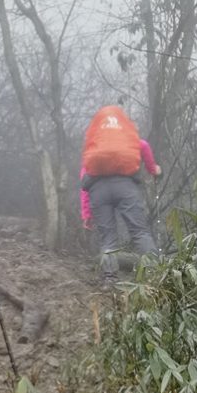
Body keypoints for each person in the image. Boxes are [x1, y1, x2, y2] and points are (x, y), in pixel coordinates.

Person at [79, 105, 161, 286]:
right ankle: (157, 274)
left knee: (108, 238)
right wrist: (153, 169)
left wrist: (86, 214)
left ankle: (110, 280)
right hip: (126, 187)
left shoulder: (95, 148)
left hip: (98, 191)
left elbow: (84, 182)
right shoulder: (127, 141)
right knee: (139, 232)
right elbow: (144, 147)